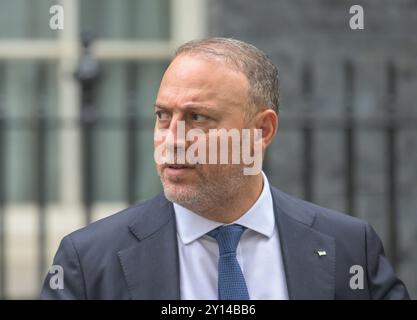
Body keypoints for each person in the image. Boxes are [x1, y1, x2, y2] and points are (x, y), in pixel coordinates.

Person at [41, 37, 409, 300]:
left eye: (197, 117)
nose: (171, 139)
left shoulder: (348, 248)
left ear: (261, 131)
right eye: (162, 116)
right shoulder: (89, 263)